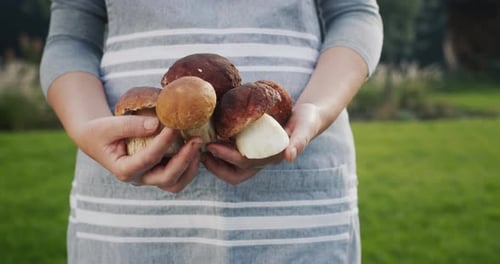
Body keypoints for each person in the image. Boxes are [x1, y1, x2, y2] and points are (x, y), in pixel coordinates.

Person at [40, 0, 383, 263]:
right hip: (130, 209)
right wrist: (85, 125)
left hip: (294, 193)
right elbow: (70, 37)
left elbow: (354, 11)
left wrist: (315, 111)